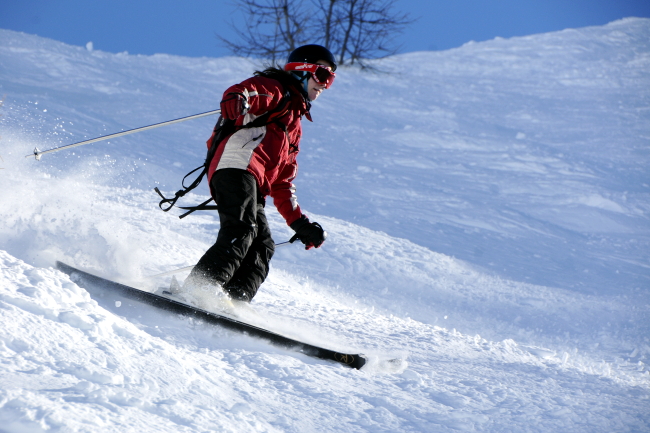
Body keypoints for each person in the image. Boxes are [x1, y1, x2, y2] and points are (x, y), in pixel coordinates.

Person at [182, 44, 337, 307]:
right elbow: (247, 91)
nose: (325, 85)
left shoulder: (294, 126)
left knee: (263, 245)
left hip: (254, 183)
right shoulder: (277, 89)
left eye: (331, 79)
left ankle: (233, 302)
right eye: (323, 76)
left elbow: (283, 182)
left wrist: (300, 223)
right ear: (302, 70)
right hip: (236, 167)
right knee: (242, 229)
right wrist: (237, 99)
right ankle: (198, 290)